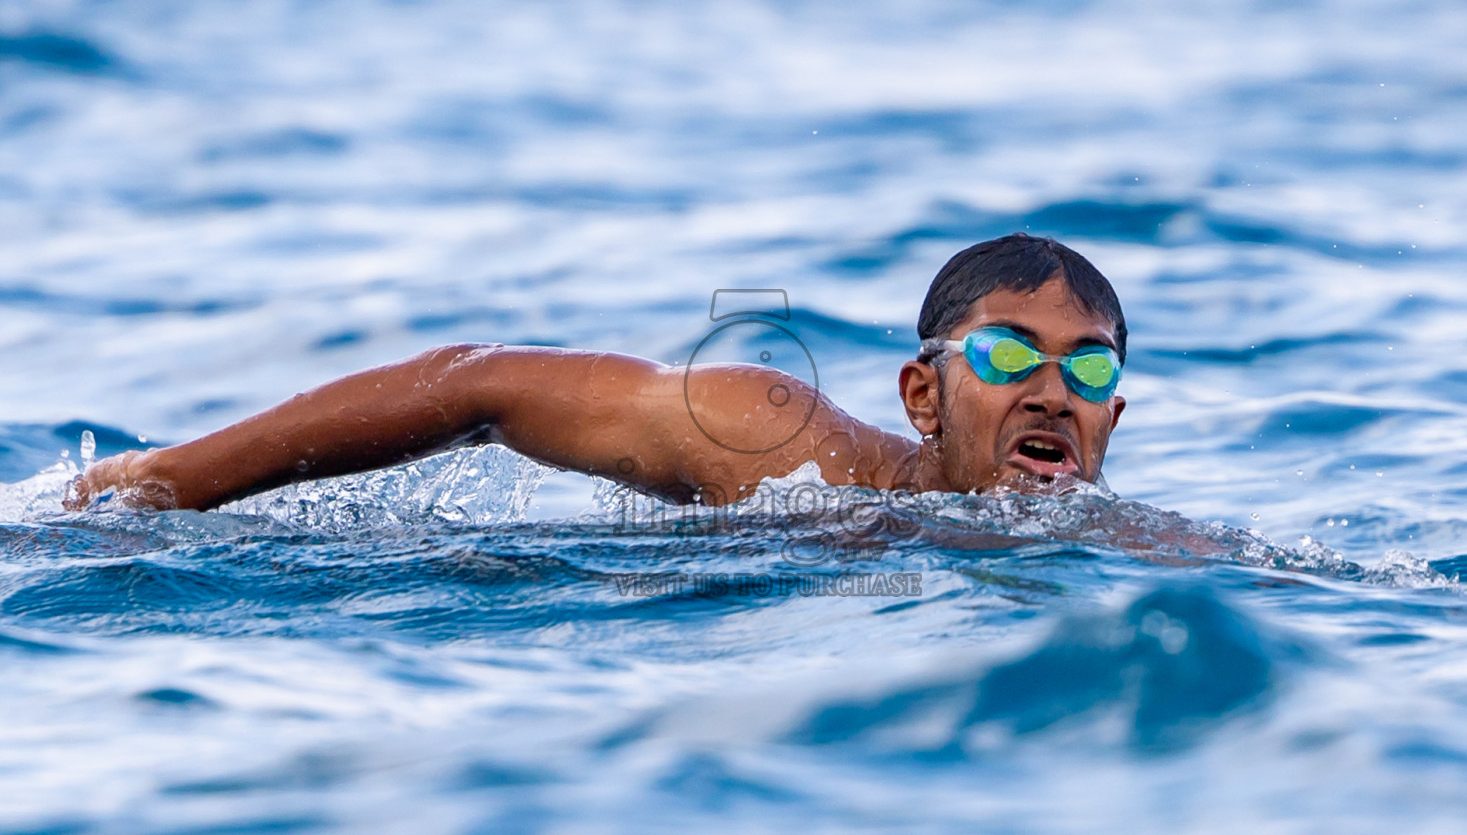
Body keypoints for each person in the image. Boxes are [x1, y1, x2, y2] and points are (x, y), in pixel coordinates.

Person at [66, 232, 1127, 512]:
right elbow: (477, 381)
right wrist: (174, 479)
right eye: (1004, 355)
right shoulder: (782, 444)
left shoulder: (1130, 553)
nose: (1049, 391)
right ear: (923, 393)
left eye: (1085, 367)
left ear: (1111, 416)